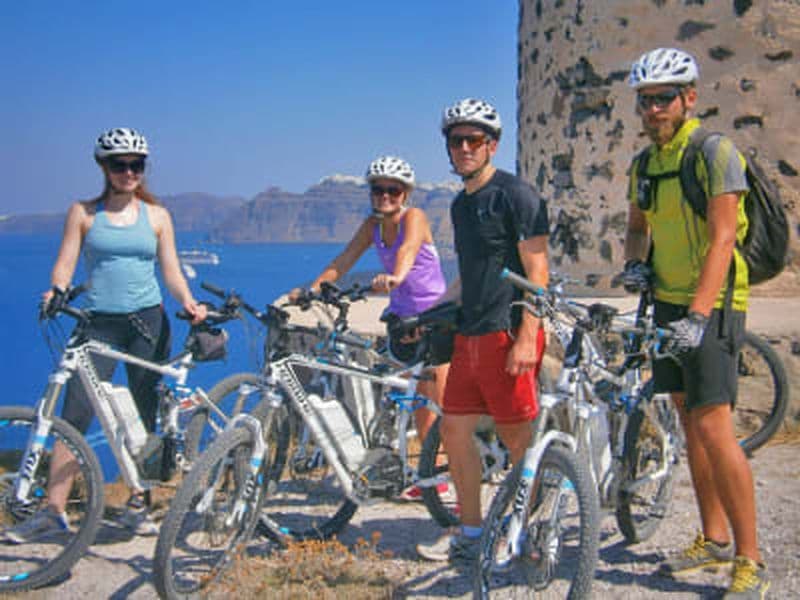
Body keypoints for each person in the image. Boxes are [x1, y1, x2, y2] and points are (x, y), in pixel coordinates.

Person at [7, 127, 207, 541]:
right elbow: (66, 262)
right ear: (104, 167)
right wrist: (56, 290)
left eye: (137, 165)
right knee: (75, 413)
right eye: (120, 164)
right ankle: (53, 510)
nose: (129, 172)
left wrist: (187, 300)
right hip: (96, 324)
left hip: (147, 324)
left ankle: (139, 502)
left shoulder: (157, 216)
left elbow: (169, 268)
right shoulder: (82, 212)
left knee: (141, 412)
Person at [621, 48, 769, 598]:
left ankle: (750, 558)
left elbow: (724, 236)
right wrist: (635, 263)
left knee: (713, 424)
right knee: (689, 424)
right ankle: (713, 537)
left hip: (715, 302)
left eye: (663, 99)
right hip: (666, 302)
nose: (653, 110)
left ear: (689, 98)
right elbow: (638, 226)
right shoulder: (644, 164)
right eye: (645, 101)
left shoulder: (713, 152)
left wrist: (700, 314)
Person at [417, 98, 549, 563]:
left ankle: (529, 530)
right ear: (449, 149)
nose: (466, 147)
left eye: (475, 140)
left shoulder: (517, 196)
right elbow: (469, 274)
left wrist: (529, 336)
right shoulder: (459, 205)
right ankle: (471, 532)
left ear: (492, 145)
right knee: (454, 433)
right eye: (458, 141)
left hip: (506, 332)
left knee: (518, 441)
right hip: (468, 336)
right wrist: (428, 312)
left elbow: (537, 270)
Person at [288, 156, 449, 497]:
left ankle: (449, 481)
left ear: (405, 194)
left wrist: (396, 276)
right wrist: (312, 290)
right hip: (402, 320)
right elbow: (343, 261)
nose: (385, 196)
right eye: (378, 189)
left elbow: (407, 250)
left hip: (435, 318)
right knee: (416, 402)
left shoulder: (415, 217)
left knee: (439, 402)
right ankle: (428, 478)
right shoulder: (371, 226)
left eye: (393, 190)